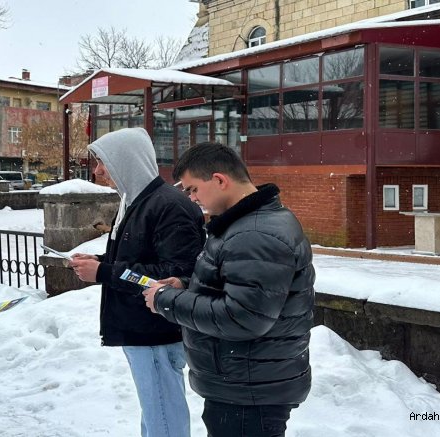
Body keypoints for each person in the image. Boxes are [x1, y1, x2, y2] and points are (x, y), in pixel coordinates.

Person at [143, 142, 315, 437]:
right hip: (246, 384)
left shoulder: (254, 234)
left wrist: (167, 301)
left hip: (248, 393)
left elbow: (242, 316)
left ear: (220, 180)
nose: (193, 199)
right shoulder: (249, 225)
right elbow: (240, 289)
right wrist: (187, 286)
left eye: (193, 189)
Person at [68, 127, 205, 437]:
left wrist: (103, 273)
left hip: (156, 330)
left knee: (163, 416)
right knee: (157, 412)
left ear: (125, 161)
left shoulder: (169, 206)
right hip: (142, 327)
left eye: (103, 161)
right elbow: (140, 263)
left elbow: (172, 275)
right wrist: (99, 263)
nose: (98, 170)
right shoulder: (135, 202)